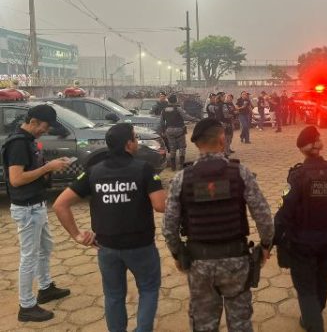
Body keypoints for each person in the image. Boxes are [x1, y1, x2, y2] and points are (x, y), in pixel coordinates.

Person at [162, 118, 274, 332]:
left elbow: (169, 227)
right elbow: (263, 216)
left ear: (197, 144)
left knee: (203, 325)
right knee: (240, 324)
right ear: (222, 140)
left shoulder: (181, 179)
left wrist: (177, 254)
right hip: (236, 262)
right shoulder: (240, 173)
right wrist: (266, 245)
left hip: (199, 264)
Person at [53, 123, 166, 332]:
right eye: (135, 138)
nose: (137, 142)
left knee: (114, 295)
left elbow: (60, 204)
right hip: (140, 245)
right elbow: (160, 206)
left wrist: (77, 235)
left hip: (107, 246)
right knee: (148, 290)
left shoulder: (94, 171)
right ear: (128, 144)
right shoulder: (144, 169)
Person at [277, 126, 327, 332]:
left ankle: (313, 322)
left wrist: (272, 240)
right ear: (319, 145)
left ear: (302, 149)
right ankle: (314, 314)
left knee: (305, 286)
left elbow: (285, 212)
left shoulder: (297, 176)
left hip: (302, 242)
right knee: (321, 280)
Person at [1, 105, 72, 322]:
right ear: (33, 122)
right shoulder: (18, 144)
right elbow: (16, 179)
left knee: (45, 247)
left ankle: (45, 287)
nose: (45, 131)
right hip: (27, 208)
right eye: (45, 127)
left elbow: (31, 170)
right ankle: (26, 306)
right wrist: (47, 168)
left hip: (36, 204)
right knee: (29, 257)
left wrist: (50, 167)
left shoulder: (28, 140)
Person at [160, 94, 198, 171]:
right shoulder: (178, 108)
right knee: (182, 147)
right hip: (179, 130)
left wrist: (163, 131)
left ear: (169, 101)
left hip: (169, 130)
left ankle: (173, 167)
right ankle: (181, 165)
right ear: (176, 100)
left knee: (172, 148)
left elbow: (161, 122)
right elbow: (186, 117)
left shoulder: (164, 110)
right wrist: (196, 119)